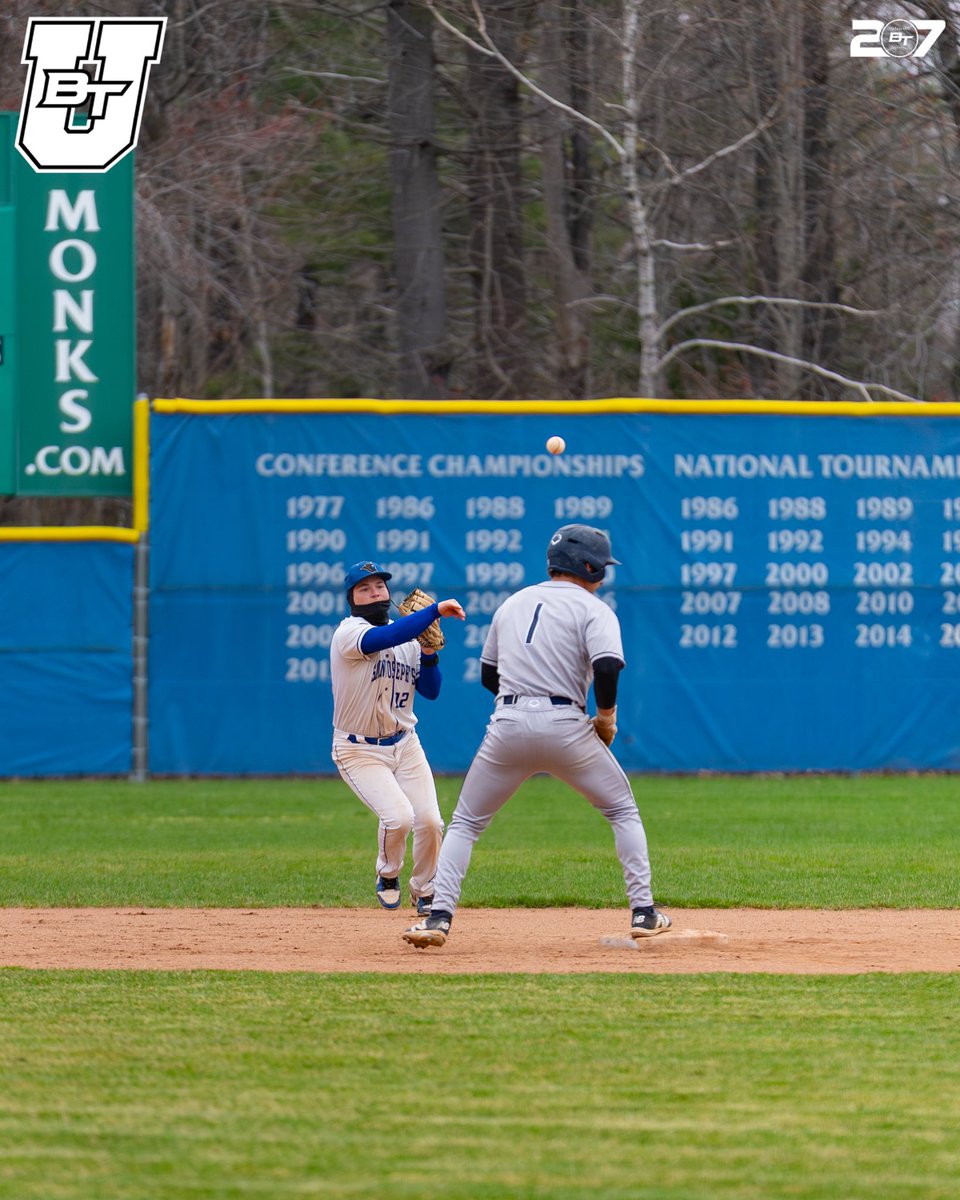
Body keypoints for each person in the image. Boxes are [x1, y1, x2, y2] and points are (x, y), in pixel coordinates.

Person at [402, 524, 671, 948]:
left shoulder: (512, 603)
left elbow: (489, 675)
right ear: (589, 566)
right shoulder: (594, 609)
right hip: (566, 723)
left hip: (506, 723)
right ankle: (643, 911)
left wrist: (522, 704)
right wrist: (606, 719)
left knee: (467, 824)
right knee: (622, 811)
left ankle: (438, 917)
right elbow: (605, 668)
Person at [330, 561, 465, 914]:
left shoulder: (409, 638)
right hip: (358, 750)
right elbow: (385, 638)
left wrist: (430, 654)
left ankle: (424, 889)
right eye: (365, 588)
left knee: (432, 822)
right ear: (352, 599)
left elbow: (431, 691)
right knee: (398, 818)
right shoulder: (349, 633)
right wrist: (434, 610)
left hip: (405, 744)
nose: (375, 592)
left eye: (380, 586)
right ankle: (388, 874)